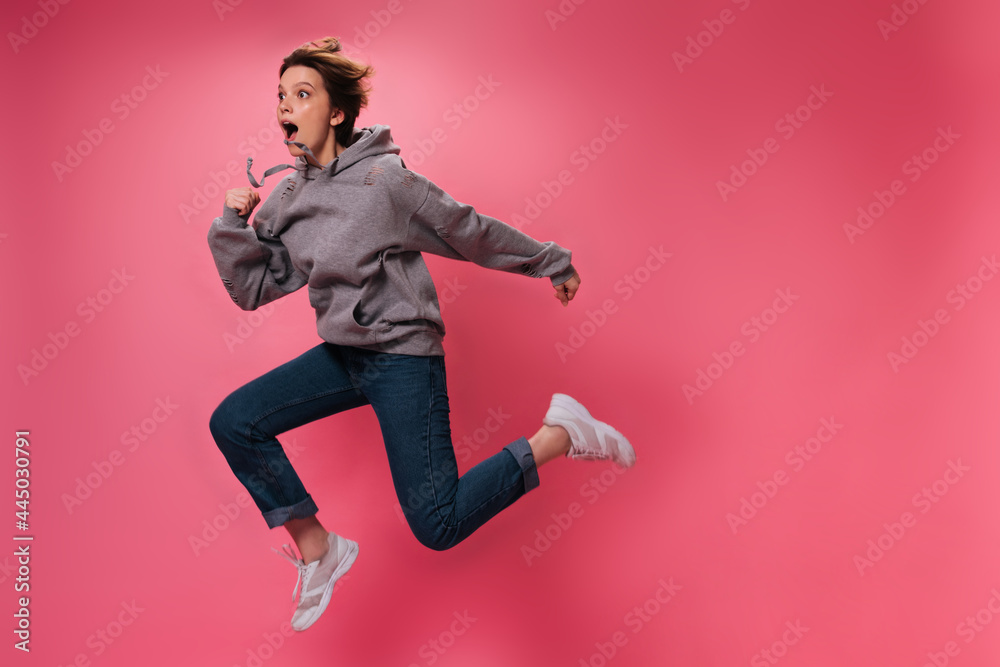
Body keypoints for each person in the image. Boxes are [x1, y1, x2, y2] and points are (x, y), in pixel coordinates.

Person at [206, 36, 636, 632]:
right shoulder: (288, 197)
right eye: (281, 95)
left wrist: (549, 261)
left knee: (438, 526)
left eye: (302, 94)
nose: (285, 106)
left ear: (335, 111)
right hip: (345, 355)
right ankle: (319, 549)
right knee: (234, 421)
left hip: (403, 358)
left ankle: (559, 434)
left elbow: (468, 230)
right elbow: (255, 289)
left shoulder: (385, 183)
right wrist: (232, 225)